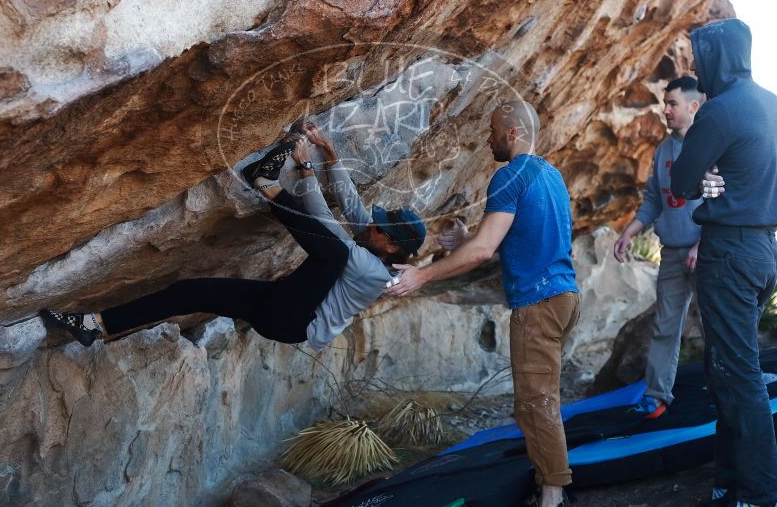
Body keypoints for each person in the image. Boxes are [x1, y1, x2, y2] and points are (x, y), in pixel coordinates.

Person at [42, 124, 426, 352]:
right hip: (280, 302)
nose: (371, 226)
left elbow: (325, 222)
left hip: (292, 322)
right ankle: (96, 326)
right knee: (188, 292)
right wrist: (328, 151)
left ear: (391, 246)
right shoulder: (377, 243)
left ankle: (264, 182)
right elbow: (352, 206)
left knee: (335, 251)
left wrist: (305, 169)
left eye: (379, 229)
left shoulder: (373, 272)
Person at [387, 100, 579, 507]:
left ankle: (553, 497)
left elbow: (483, 251)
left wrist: (420, 276)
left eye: (493, 131)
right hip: (565, 297)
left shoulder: (507, 175)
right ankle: (548, 481)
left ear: (512, 133)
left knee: (536, 401)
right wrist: (466, 238)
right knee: (537, 399)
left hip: (539, 303)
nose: (488, 139)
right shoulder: (551, 174)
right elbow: (512, 233)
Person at [670, 18, 777, 507]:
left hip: (729, 253)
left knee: (738, 375)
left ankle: (754, 492)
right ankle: (730, 480)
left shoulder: (717, 113)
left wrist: (703, 178)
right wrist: (719, 177)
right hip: (765, 251)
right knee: (726, 369)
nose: (695, 67)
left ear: (718, 58)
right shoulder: (771, 106)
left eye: (699, 57)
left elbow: (681, 182)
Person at [613, 76, 705, 419]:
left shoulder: (710, 145)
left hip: (707, 253)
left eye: (672, 104)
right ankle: (656, 398)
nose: (665, 110)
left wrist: (703, 242)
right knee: (666, 327)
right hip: (672, 254)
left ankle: (730, 390)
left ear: (693, 107)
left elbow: (727, 200)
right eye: (664, 103)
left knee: (718, 326)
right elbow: (654, 200)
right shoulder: (663, 150)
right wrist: (629, 233)